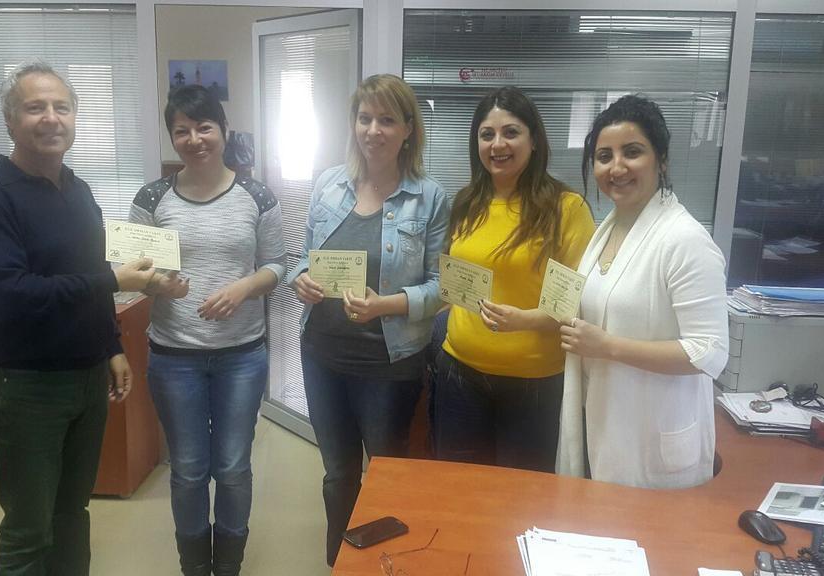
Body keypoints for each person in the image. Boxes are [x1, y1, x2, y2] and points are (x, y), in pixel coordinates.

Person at [0, 59, 155, 576]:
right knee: (28, 529)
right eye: (35, 107)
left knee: (72, 513)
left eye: (61, 107)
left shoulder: (78, 189)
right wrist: (112, 281)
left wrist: (111, 345)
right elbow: (12, 294)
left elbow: (89, 272)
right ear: (10, 120)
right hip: (28, 385)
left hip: (87, 377)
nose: (51, 118)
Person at [287, 74, 448, 567]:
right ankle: (340, 563)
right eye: (365, 118)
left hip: (388, 361)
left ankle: (382, 565)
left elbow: (441, 287)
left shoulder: (429, 197)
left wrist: (386, 305)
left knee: (385, 472)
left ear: (408, 129)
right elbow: (303, 256)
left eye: (387, 120)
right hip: (322, 354)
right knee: (338, 472)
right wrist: (300, 278)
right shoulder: (328, 184)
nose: (373, 130)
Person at [129, 85, 285, 576]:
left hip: (242, 355)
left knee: (234, 468)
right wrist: (158, 284)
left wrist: (244, 287)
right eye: (182, 131)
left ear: (223, 130)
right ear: (171, 137)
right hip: (174, 356)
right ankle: (195, 567)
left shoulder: (256, 195)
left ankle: (229, 565)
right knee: (189, 469)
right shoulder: (152, 198)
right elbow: (133, 273)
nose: (194, 139)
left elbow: (278, 264)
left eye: (204, 127)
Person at [557, 94, 729, 489]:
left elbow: (709, 353)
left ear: (661, 160)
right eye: (604, 156)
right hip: (605, 424)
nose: (616, 167)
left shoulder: (684, 240)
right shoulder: (608, 228)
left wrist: (607, 346)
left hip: (655, 440)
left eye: (632, 152)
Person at [432, 86, 595, 473]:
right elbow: (455, 279)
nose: (497, 144)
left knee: (520, 498)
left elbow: (574, 303)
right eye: (486, 134)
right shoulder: (467, 203)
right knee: (458, 489)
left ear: (534, 140)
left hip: (533, 383)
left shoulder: (565, 208)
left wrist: (523, 320)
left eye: (511, 132)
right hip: (459, 373)